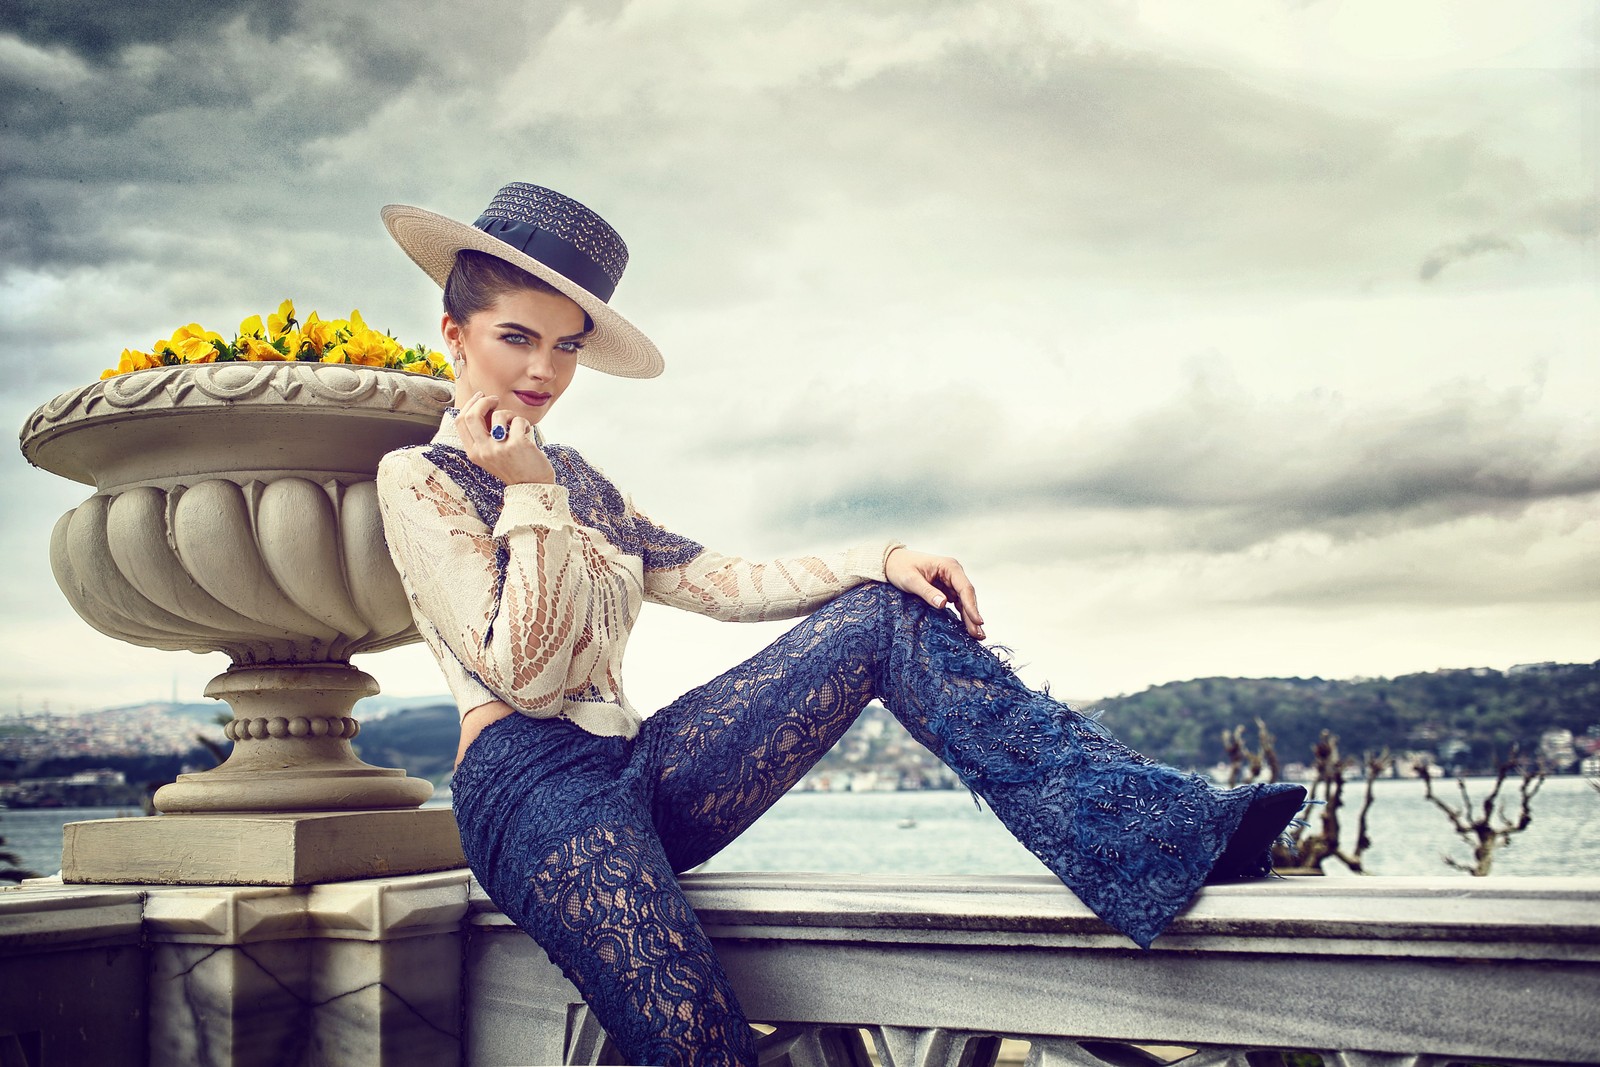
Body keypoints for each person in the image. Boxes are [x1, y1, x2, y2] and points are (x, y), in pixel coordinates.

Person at [375, 182, 1307, 1067]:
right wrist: (528, 498)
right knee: (701, 1043)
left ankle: (1151, 832)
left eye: (567, 346)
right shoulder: (419, 479)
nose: (544, 369)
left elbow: (712, 577)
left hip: (637, 767)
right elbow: (526, 675)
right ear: (454, 333)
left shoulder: (581, 476)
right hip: (529, 790)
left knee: (882, 617)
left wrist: (881, 556)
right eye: (517, 337)